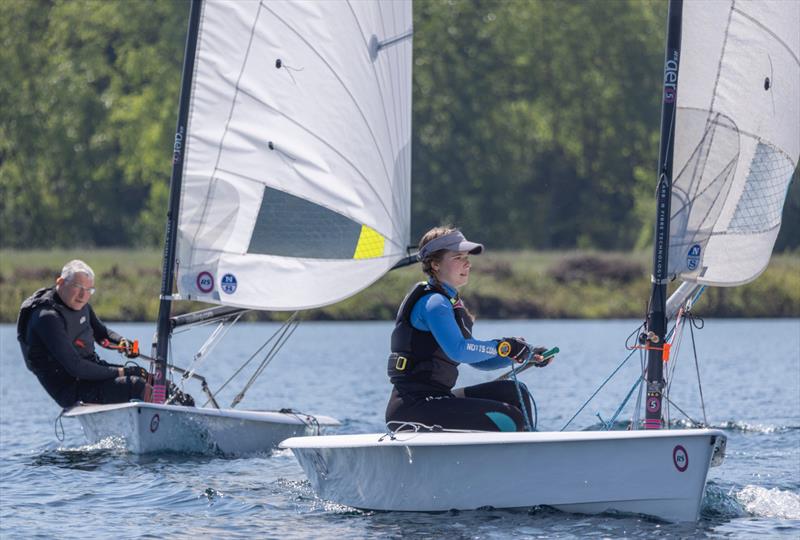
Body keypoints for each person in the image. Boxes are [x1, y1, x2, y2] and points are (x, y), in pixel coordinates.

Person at [385, 226, 552, 432]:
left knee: (515, 392)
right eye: (457, 257)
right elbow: (459, 350)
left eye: (466, 257)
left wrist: (522, 353)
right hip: (413, 407)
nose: (467, 263)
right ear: (435, 264)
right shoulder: (434, 303)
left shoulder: (450, 303)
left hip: (437, 399)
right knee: (509, 418)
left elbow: (478, 361)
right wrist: (504, 347)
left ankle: (528, 453)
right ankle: (524, 456)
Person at [17, 259, 153, 408]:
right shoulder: (46, 317)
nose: (83, 295)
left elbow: (102, 334)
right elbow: (75, 367)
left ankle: (180, 411)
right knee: (136, 384)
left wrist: (123, 342)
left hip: (90, 377)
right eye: (78, 287)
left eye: (89, 290)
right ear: (60, 282)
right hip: (70, 389)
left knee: (149, 378)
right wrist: (122, 372)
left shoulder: (80, 305)